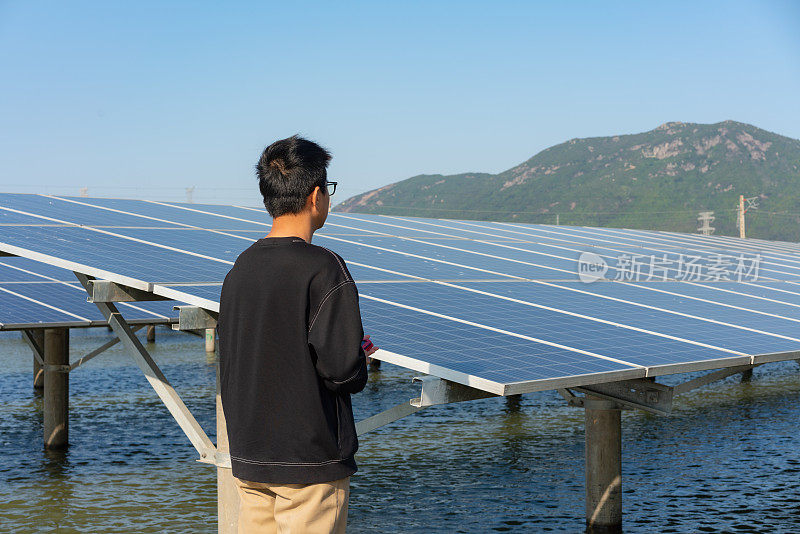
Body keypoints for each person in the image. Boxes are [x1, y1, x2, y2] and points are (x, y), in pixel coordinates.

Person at [218, 135, 378, 533]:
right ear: (316, 194)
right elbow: (341, 370)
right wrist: (360, 358)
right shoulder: (324, 268)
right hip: (310, 461)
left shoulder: (240, 268)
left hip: (250, 458)